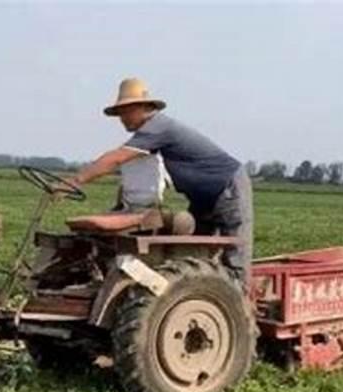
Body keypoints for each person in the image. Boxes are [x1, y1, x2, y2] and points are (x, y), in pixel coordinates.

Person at [70, 77, 253, 289]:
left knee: (235, 261)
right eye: (119, 114)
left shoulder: (158, 127)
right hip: (202, 197)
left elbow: (117, 158)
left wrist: (75, 181)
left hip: (227, 187)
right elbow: (140, 170)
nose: (122, 119)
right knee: (195, 256)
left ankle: (239, 306)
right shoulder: (149, 136)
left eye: (125, 112)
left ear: (142, 107)